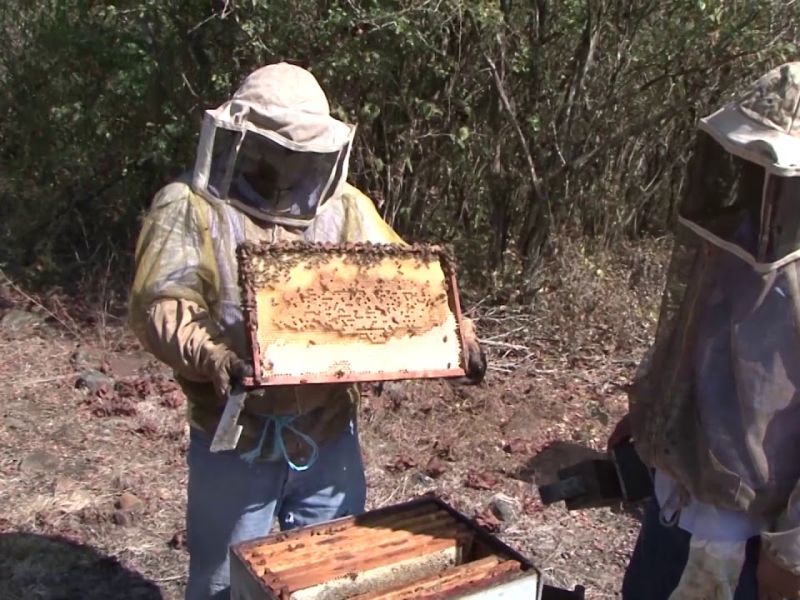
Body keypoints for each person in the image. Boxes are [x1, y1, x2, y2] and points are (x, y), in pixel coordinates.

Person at [127, 62, 487, 600]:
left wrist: (458, 334)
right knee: (225, 581)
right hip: (236, 437)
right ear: (244, 140)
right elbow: (161, 304)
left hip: (328, 429)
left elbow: (406, 289)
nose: (288, 166)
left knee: (333, 574)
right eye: (276, 150)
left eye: (301, 155)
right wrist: (215, 357)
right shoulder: (189, 207)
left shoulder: (344, 208)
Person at [609, 61, 800, 600]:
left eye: (769, 165)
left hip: (747, 539)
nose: (753, 176)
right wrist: (649, 410)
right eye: (747, 160)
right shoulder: (741, 235)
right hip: (675, 504)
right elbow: (695, 337)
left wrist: (789, 559)